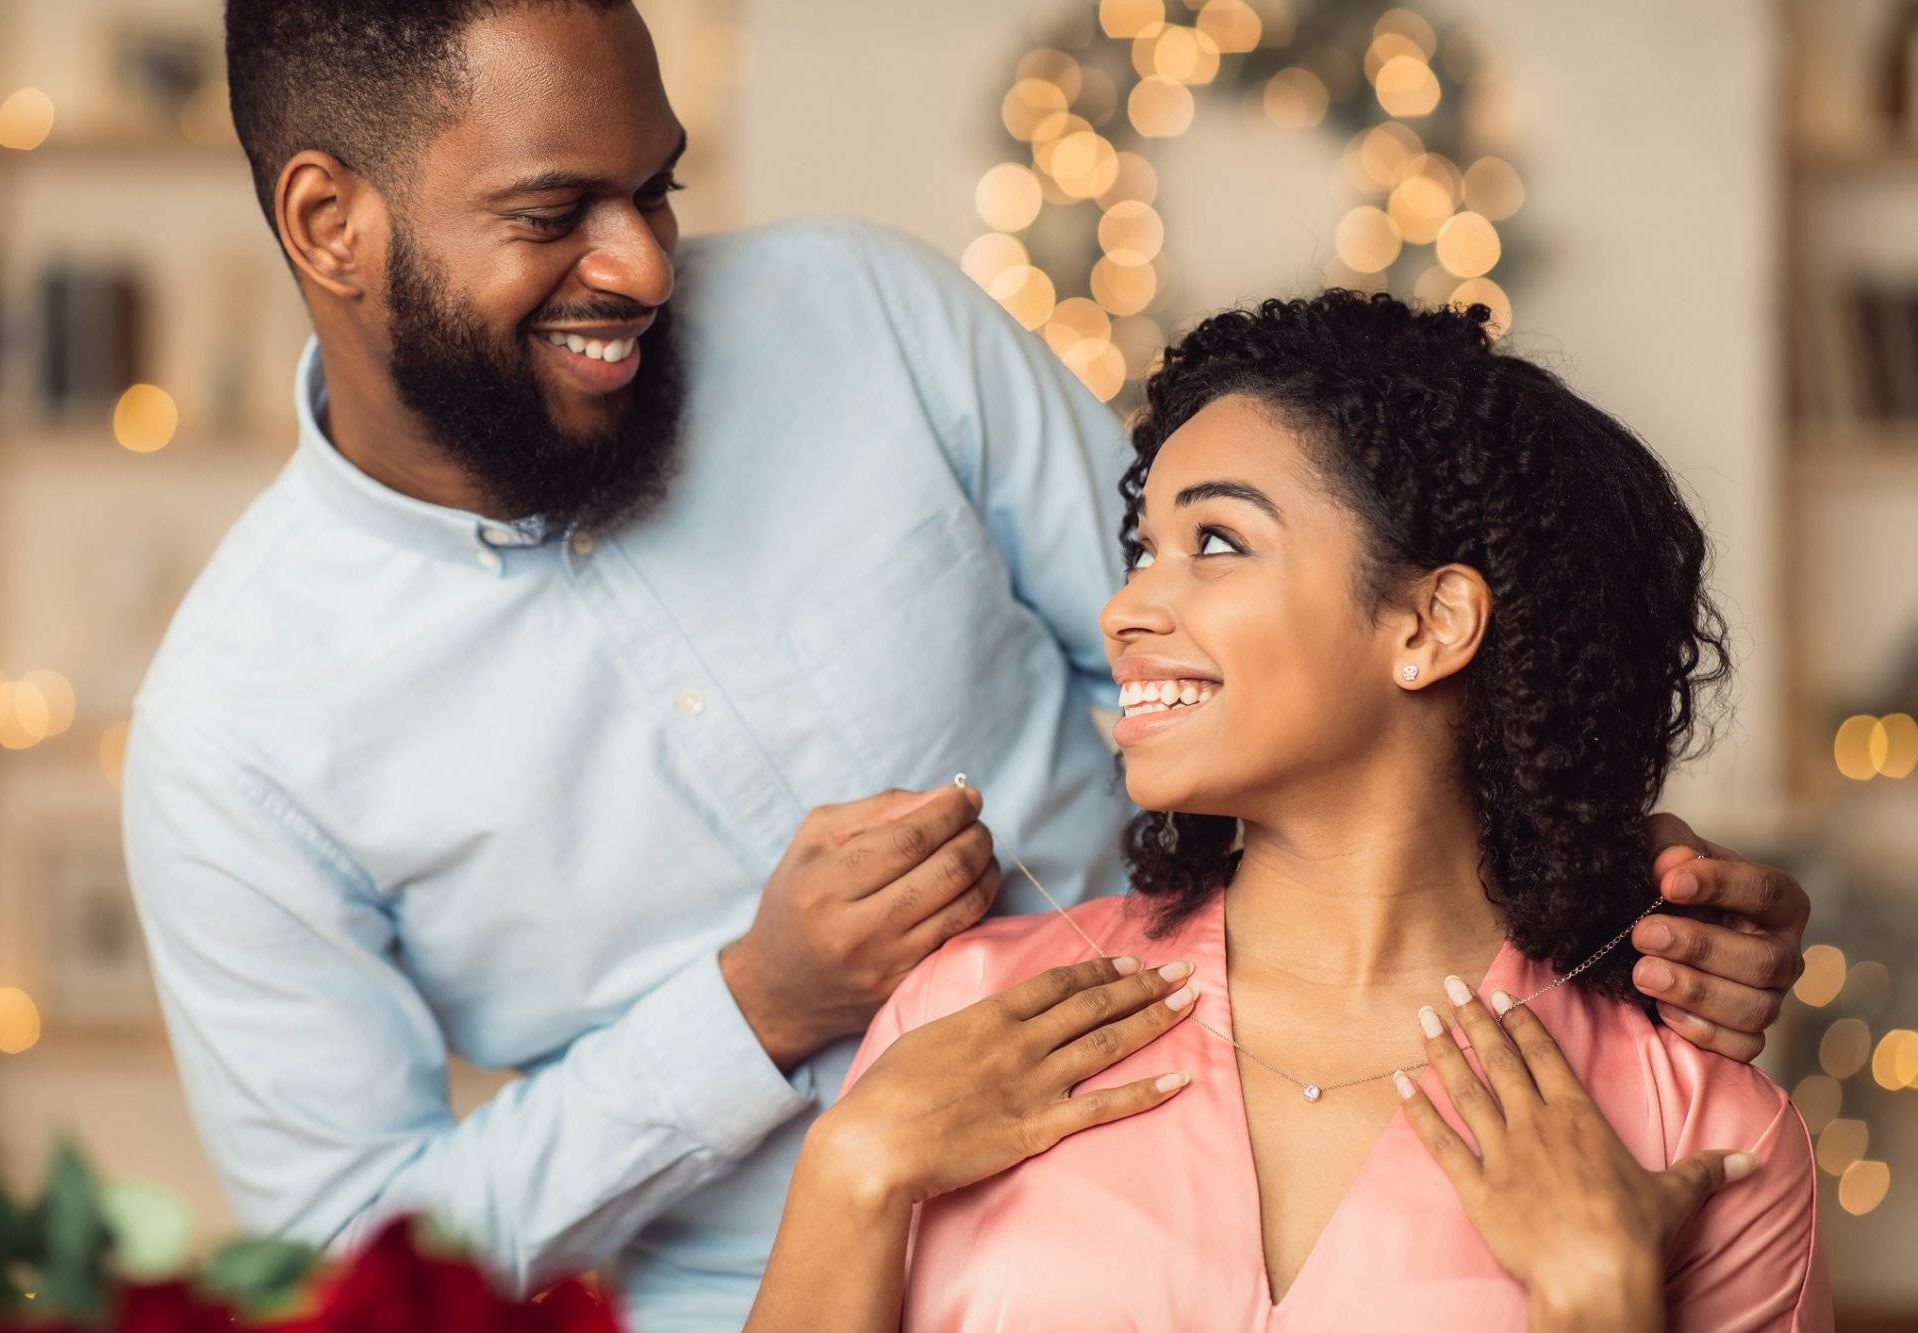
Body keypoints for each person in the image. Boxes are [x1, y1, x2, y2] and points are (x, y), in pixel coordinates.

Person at [121, 2, 1810, 1327]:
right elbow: (340, 1267)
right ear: (330, 221)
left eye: (659, 188)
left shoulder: (860, 319)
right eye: (556, 212)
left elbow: (1263, 660)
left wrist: (1609, 885)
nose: (640, 265)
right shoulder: (236, 736)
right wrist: (754, 1015)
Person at [753, 293, 1830, 1331]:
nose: (1124, 609)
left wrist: (1599, 1296)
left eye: (1214, 541)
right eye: (1140, 550)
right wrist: (852, 1168)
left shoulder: (1695, 1125)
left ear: (1428, 622)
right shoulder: (963, 1020)